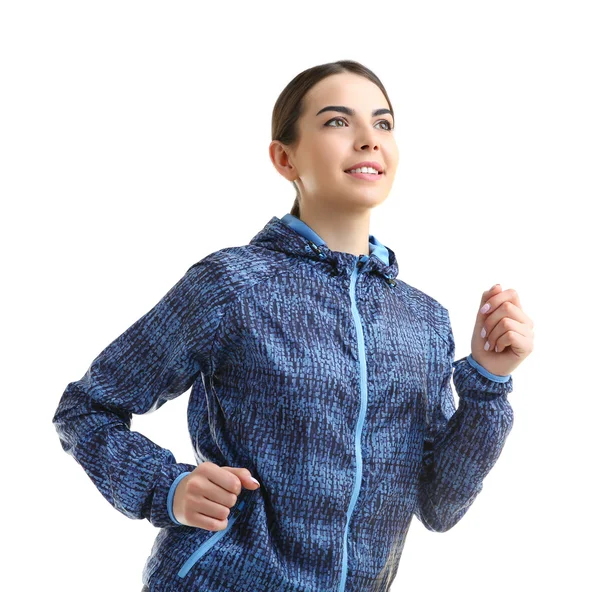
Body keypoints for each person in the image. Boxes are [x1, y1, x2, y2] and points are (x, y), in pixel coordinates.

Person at [52, 59, 535, 592]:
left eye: (383, 123)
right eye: (336, 122)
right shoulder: (233, 285)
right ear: (285, 158)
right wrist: (168, 488)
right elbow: (88, 408)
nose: (368, 140)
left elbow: (440, 503)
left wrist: (488, 382)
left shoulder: (423, 320)